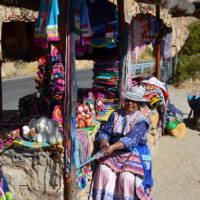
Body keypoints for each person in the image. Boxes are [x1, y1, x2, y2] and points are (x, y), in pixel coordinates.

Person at [89, 87, 153, 200]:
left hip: (133, 153)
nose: (130, 103)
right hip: (114, 153)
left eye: (133, 101)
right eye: (128, 99)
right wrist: (104, 140)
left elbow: (131, 140)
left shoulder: (141, 121)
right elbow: (105, 131)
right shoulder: (115, 115)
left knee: (127, 177)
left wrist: (113, 147)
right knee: (103, 170)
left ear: (139, 103)